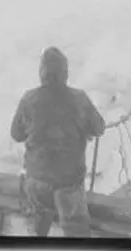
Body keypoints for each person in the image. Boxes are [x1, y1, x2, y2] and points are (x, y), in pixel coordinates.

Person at [10, 46, 106, 237]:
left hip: (37, 180)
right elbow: (99, 128)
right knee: (76, 233)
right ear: (65, 73)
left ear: (41, 73)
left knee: (36, 228)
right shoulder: (79, 99)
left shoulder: (29, 99)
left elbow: (16, 134)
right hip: (69, 182)